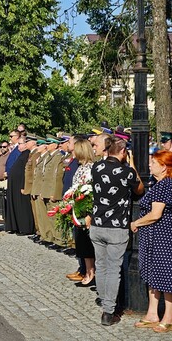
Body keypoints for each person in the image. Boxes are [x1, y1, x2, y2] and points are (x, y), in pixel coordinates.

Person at [90, 135, 144, 326]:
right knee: (113, 269)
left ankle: (104, 300)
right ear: (122, 152)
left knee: (101, 266)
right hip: (116, 227)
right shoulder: (126, 171)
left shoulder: (97, 167)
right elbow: (139, 189)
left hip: (97, 225)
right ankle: (108, 311)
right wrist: (133, 164)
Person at [131, 150, 172, 332]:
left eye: (153, 163)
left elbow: (156, 214)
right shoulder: (157, 183)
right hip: (152, 237)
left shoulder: (166, 185)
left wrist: (136, 222)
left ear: (164, 167)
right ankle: (152, 313)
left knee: (165, 277)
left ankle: (168, 318)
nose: (149, 166)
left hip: (163, 237)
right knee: (152, 275)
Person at [69, 139, 96, 285]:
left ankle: (91, 274)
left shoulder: (89, 168)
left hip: (85, 208)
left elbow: (89, 191)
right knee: (81, 243)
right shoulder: (81, 167)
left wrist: (87, 213)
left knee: (86, 244)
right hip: (77, 207)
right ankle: (87, 271)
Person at [4, 135, 35, 235]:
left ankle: (25, 228)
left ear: (26, 145)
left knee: (22, 207)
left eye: (20, 144)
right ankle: (16, 226)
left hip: (20, 184)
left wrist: (23, 185)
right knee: (15, 205)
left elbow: (26, 172)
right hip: (14, 184)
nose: (18, 146)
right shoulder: (22, 154)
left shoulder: (27, 154)